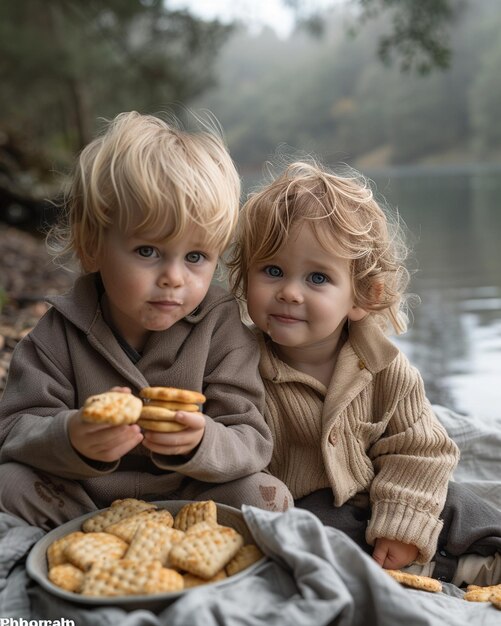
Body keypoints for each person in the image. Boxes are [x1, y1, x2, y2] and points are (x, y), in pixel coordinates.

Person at [0, 111, 292, 531]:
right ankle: (84, 546)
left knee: (268, 496)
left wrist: (201, 441)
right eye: (148, 251)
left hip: (191, 496)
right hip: (81, 501)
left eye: (195, 257)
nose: (174, 277)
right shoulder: (60, 330)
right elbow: (12, 429)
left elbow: (250, 436)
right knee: (8, 484)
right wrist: (72, 437)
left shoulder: (221, 325)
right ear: (93, 246)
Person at [227, 159, 501, 586]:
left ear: (361, 297)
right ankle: (445, 570)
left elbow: (420, 448)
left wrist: (402, 520)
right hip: (305, 505)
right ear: (246, 275)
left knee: (459, 502)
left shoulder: (384, 367)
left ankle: (480, 551)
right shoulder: (239, 363)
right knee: (312, 530)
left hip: (379, 488)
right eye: (273, 271)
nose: (290, 292)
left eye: (317, 277)